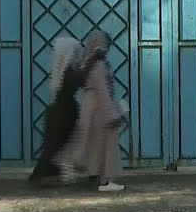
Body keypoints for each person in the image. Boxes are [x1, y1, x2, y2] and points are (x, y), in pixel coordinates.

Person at [57, 30, 127, 193]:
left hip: (92, 109)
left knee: (91, 144)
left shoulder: (88, 63)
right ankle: (105, 180)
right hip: (100, 110)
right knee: (107, 146)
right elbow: (103, 91)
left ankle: (82, 168)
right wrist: (113, 114)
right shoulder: (100, 66)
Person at [28, 37, 86, 186]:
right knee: (56, 145)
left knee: (59, 145)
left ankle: (52, 173)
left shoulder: (61, 70)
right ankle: (38, 177)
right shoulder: (68, 72)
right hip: (63, 113)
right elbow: (79, 81)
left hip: (60, 111)